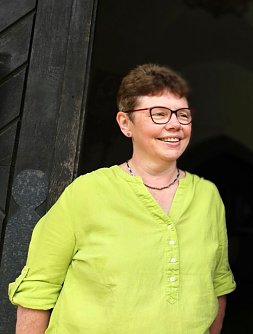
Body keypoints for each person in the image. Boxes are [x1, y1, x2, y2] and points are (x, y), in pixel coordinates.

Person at [8, 64, 236, 334]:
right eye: (159, 114)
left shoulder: (208, 196)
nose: (175, 124)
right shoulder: (86, 193)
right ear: (125, 123)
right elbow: (37, 289)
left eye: (183, 115)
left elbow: (218, 284)